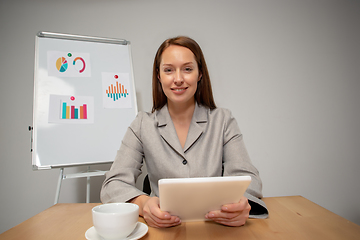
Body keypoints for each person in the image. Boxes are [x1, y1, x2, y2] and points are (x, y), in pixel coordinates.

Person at [101, 36, 268, 228]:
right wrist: (143, 203)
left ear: (199, 74)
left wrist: (242, 205)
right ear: (159, 75)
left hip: (216, 227)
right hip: (162, 229)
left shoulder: (223, 120)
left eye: (187, 69)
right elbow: (112, 184)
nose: (178, 79)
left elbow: (248, 178)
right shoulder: (142, 124)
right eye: (169, 70)